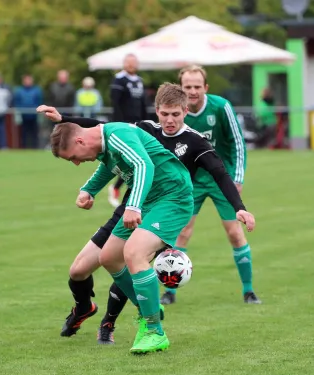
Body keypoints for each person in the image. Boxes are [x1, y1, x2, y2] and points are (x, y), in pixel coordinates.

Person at [37, 83, 255, 350]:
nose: (76, 162)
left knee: (134, 253)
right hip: (150, 199)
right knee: (108, 257)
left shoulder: (119, 136)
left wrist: (134, 207)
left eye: (73, 157)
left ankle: (154, 330)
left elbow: (144, 165)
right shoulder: (108, 140)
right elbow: (110, 164)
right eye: (165, 113)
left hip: (173, 197)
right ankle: (148, 307)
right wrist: (88, 189)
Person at [158, 65, 259, 305]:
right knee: (182, 232)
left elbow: (238, 143)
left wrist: (238, 178)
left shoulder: (221, 107)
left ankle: (249, 290)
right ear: (180, 89)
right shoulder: (175, 112)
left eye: (196, 86)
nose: (192, 91)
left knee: (235, 233)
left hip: (220, 179)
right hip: (189, 181)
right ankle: (170, 292)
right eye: (187, 87)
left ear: (206, 87)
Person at [108, 54, 147, 207]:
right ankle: (117, 187)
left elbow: (143, 104)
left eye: (134, 63)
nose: (131, 66)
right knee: (130, 158)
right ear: (124, 64)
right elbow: (115, 104)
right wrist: (120, 124)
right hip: (124, 125)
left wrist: (145, 123)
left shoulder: (139, 81)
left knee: (135, 159)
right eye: (128, 63)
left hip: (138, 125)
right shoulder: (119, 80)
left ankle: (119, 187)